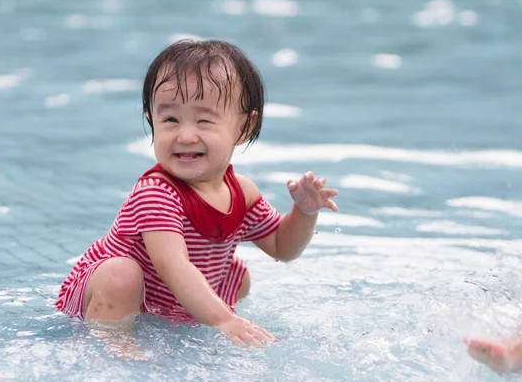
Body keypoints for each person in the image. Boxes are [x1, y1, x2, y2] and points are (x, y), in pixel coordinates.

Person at [55, 39, 339, 349]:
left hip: (172, 302)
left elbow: (281, 248)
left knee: (238, 276)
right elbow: (173, 266)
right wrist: (224, 319)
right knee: (121, 275)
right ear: (152, 120)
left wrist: (304, 213)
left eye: (204, 120)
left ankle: (189, 315)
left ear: (244, 127)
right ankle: (114, 345)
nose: (186, 135)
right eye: (170, 119)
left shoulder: (242, 193)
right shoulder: (156, 193)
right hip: (107, 298)